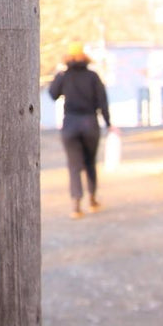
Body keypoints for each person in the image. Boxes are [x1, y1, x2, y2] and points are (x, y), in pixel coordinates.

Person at [48, 42, 111, 218]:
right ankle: (92, 199)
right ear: (85, 57)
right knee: (90, 162)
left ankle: (76, 205)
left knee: (74, 165)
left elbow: (53, 95)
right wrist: (109, 123)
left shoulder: (64, 75)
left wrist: (59, 75)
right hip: (89, 122)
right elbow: (102, 101)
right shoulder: (93, 76)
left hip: (70, 124)